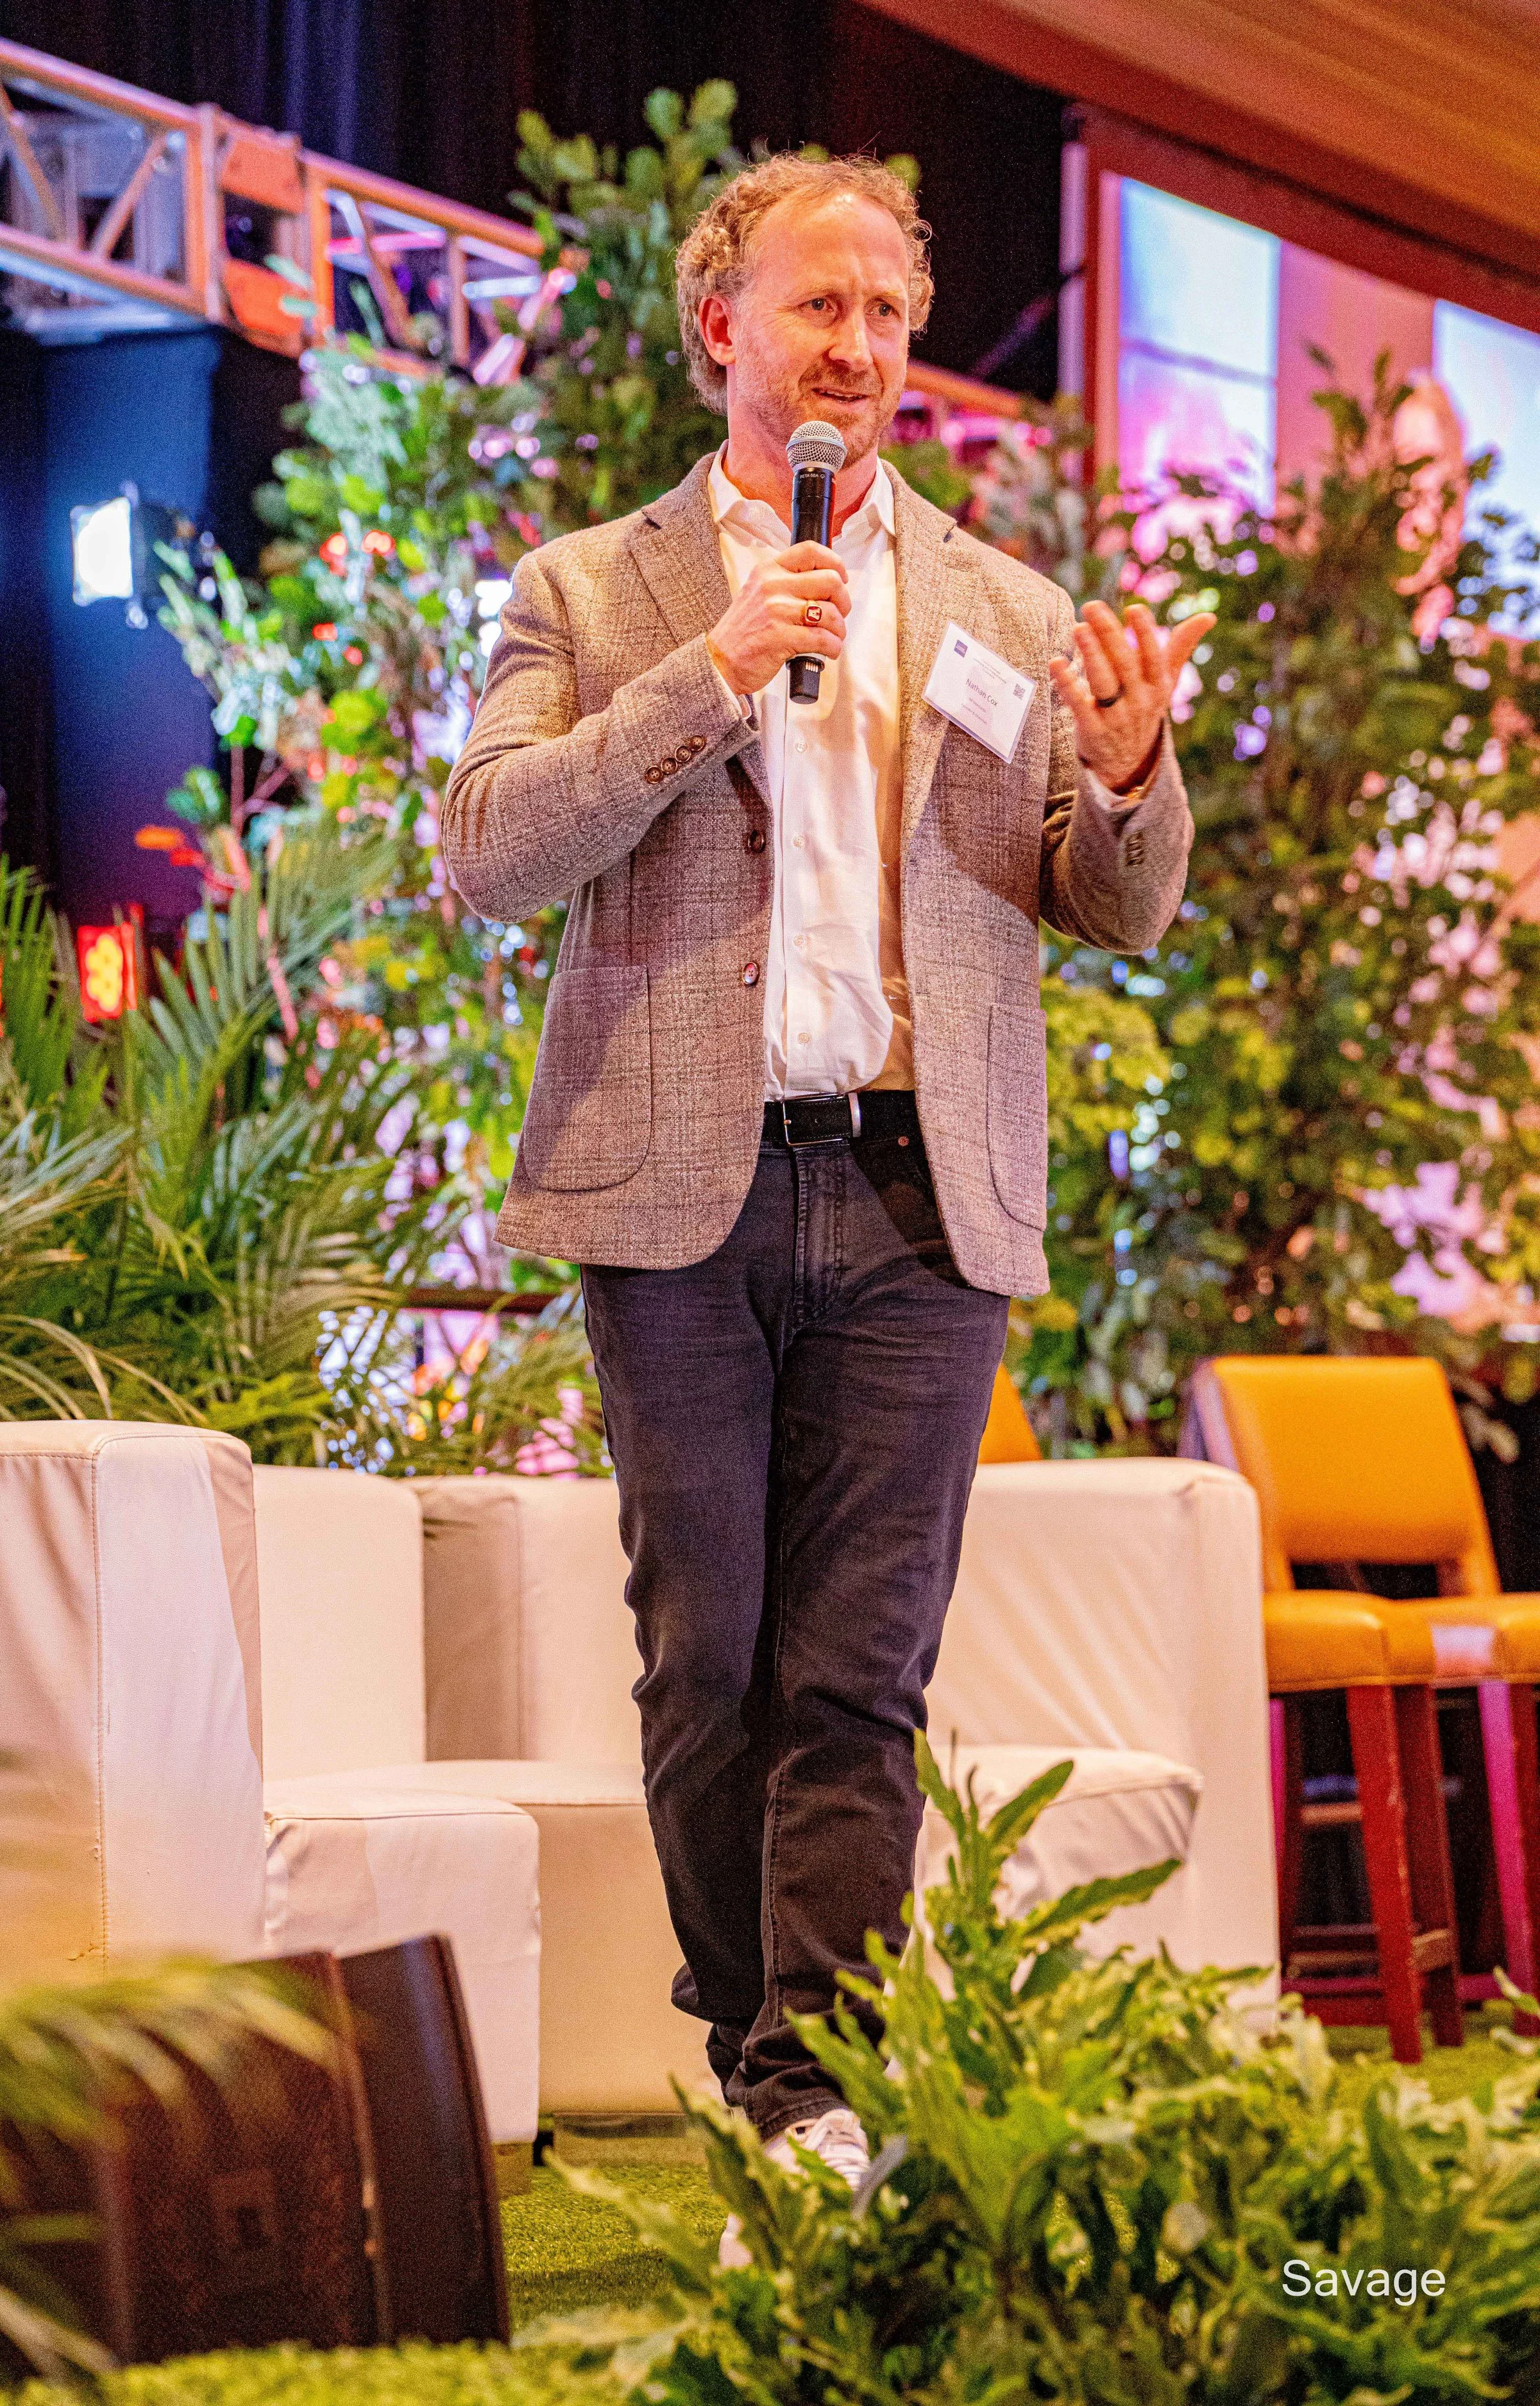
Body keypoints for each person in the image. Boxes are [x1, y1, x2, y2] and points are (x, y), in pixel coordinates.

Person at [441, 153, 1211, 2210]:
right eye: (815, 305)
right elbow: (488, 849)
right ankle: (753, 2036)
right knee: (708, 1662)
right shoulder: (587, 590)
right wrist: (706, 677)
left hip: (915, 1195)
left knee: (858, 1673)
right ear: (723, 329)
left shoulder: (1004, 608)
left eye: (883, 311)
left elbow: (1107, 900)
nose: (856, 345)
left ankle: (812, 2096)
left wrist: (1132, 775)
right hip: (675, 1196)